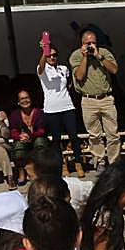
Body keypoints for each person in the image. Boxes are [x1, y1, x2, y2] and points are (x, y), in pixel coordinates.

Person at [70, 29, 120, 168]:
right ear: (82, 43)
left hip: (106, 99)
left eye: (93, 43)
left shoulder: (104, 53)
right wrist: (85, 57)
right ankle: (100, 160)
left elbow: (114, 70)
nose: (91, 46)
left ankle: (114, 162)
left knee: (113, 134)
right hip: (88, 100)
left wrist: (99, 57)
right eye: (88, 43)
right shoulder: (76, 56)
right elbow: (79, 76)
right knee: (94, 135)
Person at [37, 45, 85, 177]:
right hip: (52, 109)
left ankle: (78, 162)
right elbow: (40, 66)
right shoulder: (43, 69)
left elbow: (69, 83)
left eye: (54, 55)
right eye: (49, 55)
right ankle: (62, 165)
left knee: (74, 136)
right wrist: (44, 51)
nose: (52, 57)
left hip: (67, 106)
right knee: (56, 139)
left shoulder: (63, 68)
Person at [27, 142, 93, 213]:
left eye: (30, 176)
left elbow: (98, 191)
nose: (27, 178)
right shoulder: (32, 197)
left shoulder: (76, 186)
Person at [7, 89, 48, 186]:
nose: (25, 100)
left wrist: (30, 136)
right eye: (22, 99)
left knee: (40, 142)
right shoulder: (14, 114)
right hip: (23, 139)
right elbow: (12, 130)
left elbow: (42, 130)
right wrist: (20, 136)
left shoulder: (39, 112)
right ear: (18, 102)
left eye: (27, 98)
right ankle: (22, 173)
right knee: (18, 146)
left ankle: (37, 171)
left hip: (36, 138)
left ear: (30, 99)